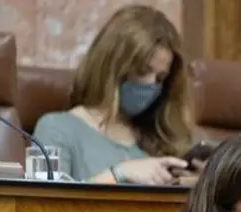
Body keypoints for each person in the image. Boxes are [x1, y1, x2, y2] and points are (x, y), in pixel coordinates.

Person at [33, 5, 203, 186]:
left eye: (160, 78)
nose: (150, 84)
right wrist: (119, 174)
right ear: (112, 66)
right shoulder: (57, 129)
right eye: (142, 71)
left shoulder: (165, 137)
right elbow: (44, 203)